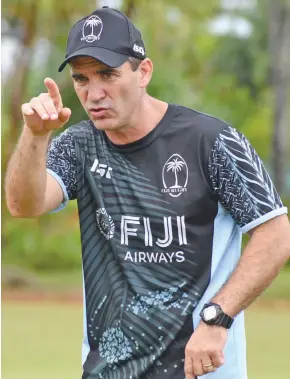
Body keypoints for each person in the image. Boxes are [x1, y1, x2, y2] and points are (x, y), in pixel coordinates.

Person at [5, 6, 290, 379]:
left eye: (107, 74)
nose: (94, 93)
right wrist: (36, 134)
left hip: (199, 371)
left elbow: (276, 233)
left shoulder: (211, 142)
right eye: (81, 79)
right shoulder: (78, 144)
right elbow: (24, 204)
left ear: (144, 72)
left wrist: (218, 318)